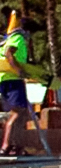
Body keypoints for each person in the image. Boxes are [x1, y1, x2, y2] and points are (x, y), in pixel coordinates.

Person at [0, 14, 38, 156]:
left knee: (22, 113)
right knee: (18, 112)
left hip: (6, 79)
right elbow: (9, 53)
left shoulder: (8, 38)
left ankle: (17, 146)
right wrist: (19, 70)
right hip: (13, 80)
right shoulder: (18, 38)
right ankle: (6, 145)